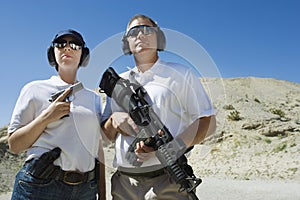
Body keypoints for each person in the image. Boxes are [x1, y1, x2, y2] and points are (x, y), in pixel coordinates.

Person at [101, 14, 216, 200]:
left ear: (158, 37)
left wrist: (173, 147)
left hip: (167, 180)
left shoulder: (180, 74)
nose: (140, 35)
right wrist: (114, 121)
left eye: (147, 30)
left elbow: (207, 121)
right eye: (134, 32)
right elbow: (105, 136)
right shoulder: (118, 84)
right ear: (127, 42)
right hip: (125, 184)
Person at [8, 29, 106, 200]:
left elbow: (98, 150)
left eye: (74, 45)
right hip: (40, 187)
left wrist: (103, 195)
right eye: (61, 44)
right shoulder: (34, 89)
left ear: (83, 54)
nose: (67, 48)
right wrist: (47, 117)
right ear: (53, 52)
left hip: (85, 190)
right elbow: (15, 145)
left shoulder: (94, 98)